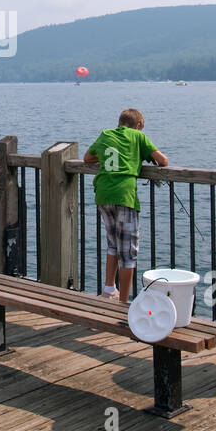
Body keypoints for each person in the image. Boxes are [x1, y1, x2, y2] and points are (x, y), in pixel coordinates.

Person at [84, 109, 168, 302]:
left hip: (103, 194)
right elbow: (162, 160)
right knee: (129, 250)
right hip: (125, 195)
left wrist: (105, 159)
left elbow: (87, 158)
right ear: (138, 126)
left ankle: (108, 289)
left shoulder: (106, 134)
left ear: (119, 122)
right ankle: (123, 301)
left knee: (113, 243)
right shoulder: (138, 136)